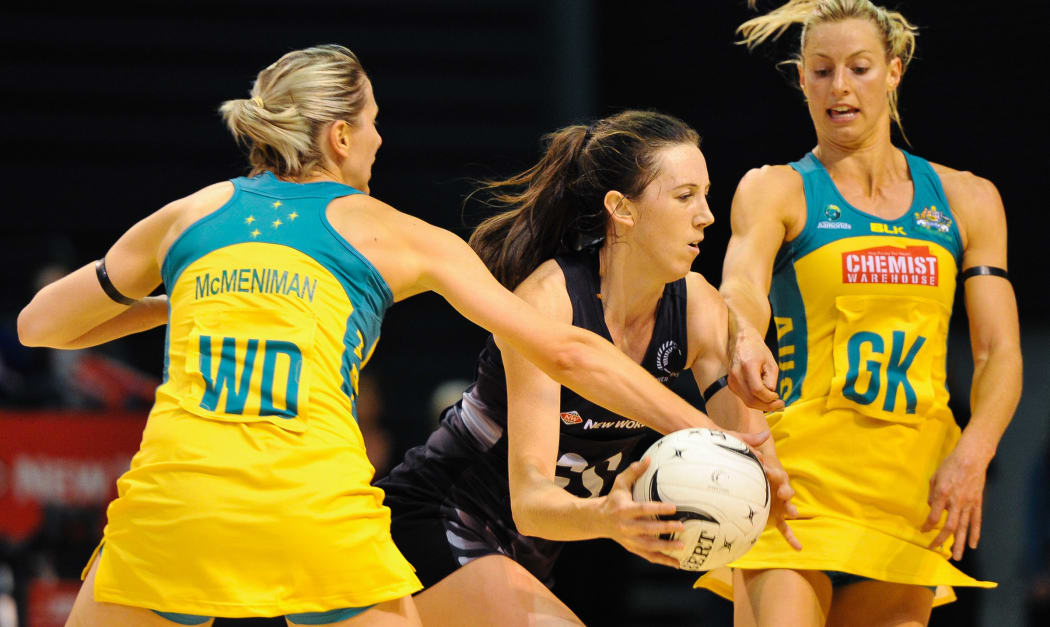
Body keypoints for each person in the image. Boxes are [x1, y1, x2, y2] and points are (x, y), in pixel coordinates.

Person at [15, 46, 770, 627]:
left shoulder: (192, 214)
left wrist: (177, 300)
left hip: (173, 505)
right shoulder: (396, 233)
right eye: (375, 120)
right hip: (311, 504)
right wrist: (720, 441)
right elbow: (567, 349)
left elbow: (41, 324)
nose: (382, 137)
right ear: (341, 135)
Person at [692, 0, 1023, 625]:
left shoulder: (966, 198)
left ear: (895, 70)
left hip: (913, 483)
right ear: (803, 78)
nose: (839, 87)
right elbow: (740, 283)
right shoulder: (778, 188)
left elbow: (999, 353)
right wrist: (746, 330)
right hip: (801, 476)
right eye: (821, 70)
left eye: (860, 68)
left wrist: (975, 452)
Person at [376, 110, 799, 626]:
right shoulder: (549, 301)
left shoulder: (697, 309)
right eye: (685, 196)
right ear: (622, 210)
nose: (706, 215)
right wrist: (607, 518)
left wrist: (757, 487)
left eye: (706, 195)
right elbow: (531, 501)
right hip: (438, 518)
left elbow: (745, 456)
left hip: (526, 556)